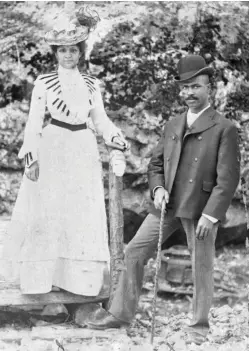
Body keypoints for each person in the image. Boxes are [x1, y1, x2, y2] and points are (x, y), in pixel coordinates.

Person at [87, 55, 240, 344]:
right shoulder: (173, 123)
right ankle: (120, 313)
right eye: (184, 88)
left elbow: (228, 178)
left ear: (210, 88)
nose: (189, 93)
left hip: (200, 209)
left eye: (196, 86)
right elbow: (156, 165)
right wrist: (157, 189)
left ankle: (198, 327)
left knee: (201, 266)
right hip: (168, 206)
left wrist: (211, 215)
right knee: (134, 251)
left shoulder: (224, 128)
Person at [1, 4, 128, 297]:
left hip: (83, 148)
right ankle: (41, 283)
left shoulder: (91, 84)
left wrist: (115, 138)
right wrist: (31, 158)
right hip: (53, 146)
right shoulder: (44, 82)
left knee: (81, 212)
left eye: (73, 49)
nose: (68, 55)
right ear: (55, 52)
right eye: (62, 50)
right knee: (49, 212)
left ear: (81, 52)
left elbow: (100, 119)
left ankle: (78, 285)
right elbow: (33, 123)